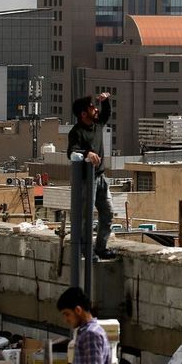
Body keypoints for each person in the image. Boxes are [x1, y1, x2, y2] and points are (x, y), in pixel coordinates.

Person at [67, 92, 115, 259]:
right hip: (87, 180)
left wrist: (106, 101)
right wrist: (87, 153)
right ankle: (86, 251)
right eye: (92, 107)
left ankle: (100, 248)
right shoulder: (76, 132)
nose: (95, 109)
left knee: (108, 213)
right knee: (86, 217)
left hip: (101, 177)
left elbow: (106, 114)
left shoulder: (97, 124)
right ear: (83, 114)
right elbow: (71, 151)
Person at [57, 287, 110, 364]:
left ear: (78, 310)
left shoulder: (90, 334)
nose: (66, 320)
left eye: (67, 314)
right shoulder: (92, 330)